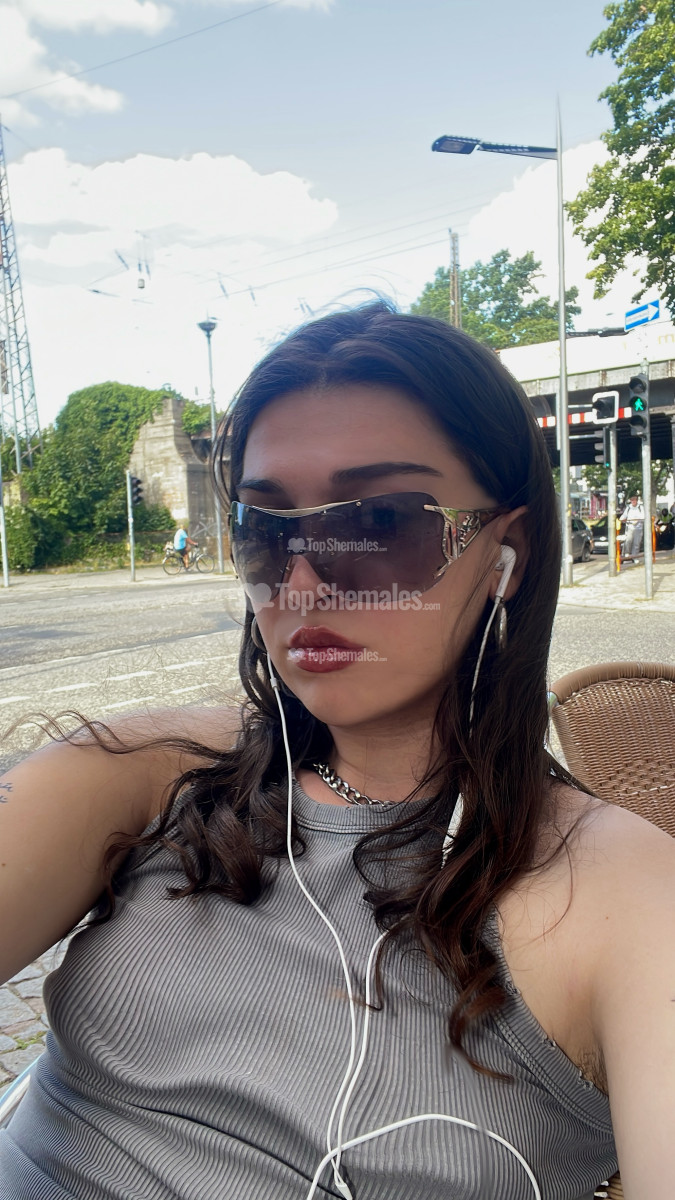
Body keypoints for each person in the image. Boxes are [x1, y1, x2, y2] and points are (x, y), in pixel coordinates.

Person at [1, 303, 674, 1199]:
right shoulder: (155, 769)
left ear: (504, 553)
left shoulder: (620, 889)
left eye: (381, 524)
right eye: (267, 530)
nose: (303, 581)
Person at [620, 494, 645, 561]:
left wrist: (637, 521)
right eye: (632, 500)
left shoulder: (640, 507)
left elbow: (643, 517)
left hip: (638, 528)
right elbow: (624, 515)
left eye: (635, 500)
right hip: (630, 527)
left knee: (636, 543)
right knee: (628, 540)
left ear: (637, 501)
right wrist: (622, 519)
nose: (633, 501)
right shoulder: (628, 508)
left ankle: (635, 557)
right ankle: (626, 553)